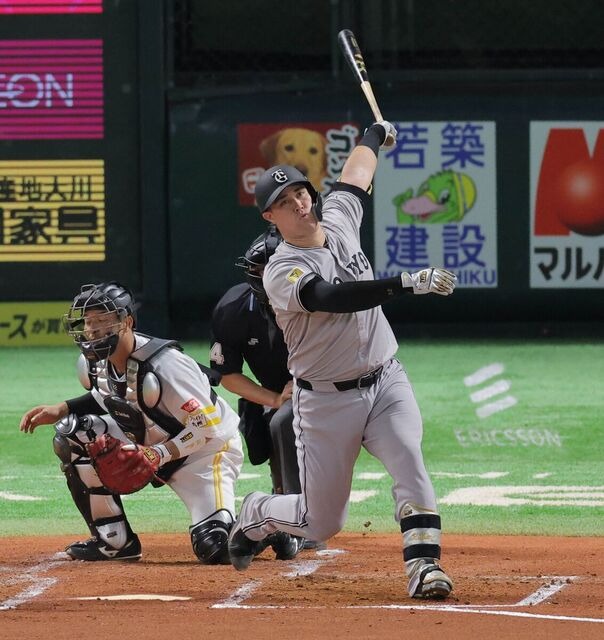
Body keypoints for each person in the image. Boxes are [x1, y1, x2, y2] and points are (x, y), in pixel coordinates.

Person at [227, 120, 458, 600]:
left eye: (300, 192)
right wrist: (405, 283)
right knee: (321, 521)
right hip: (327, 402)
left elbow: (355, 176)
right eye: (284, 202)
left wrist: (374, 135)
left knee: (409, 460)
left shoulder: (338, 218)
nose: (298, 203)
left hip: (386, 380)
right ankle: (257, 511)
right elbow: (331, 297)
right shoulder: (282, 269)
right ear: (270, 216)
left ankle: (424, 567)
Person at [19, 281, 245, 564]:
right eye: (88, 322)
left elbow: (207, 428)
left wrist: (156, 454)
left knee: (216, 548)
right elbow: (108, 396)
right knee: (73, 433)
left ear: (126, 322)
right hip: (151, 441)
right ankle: (114, 541)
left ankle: (265, 522)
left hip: (205, 453)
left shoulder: (166, 365)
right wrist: (62, 408)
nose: (92, 329)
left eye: (102, 320)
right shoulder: (94, 362)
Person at [210, 225, 323, 554]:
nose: (269, 276)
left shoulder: (321, 298)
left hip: (329, 383)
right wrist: (273, 398)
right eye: (261, 269)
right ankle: (285, 502)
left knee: (285, 421)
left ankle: (304, 517)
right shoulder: (232, 309)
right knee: (272, 421)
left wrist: (306, 382)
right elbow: (227, 375)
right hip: (277, 392)